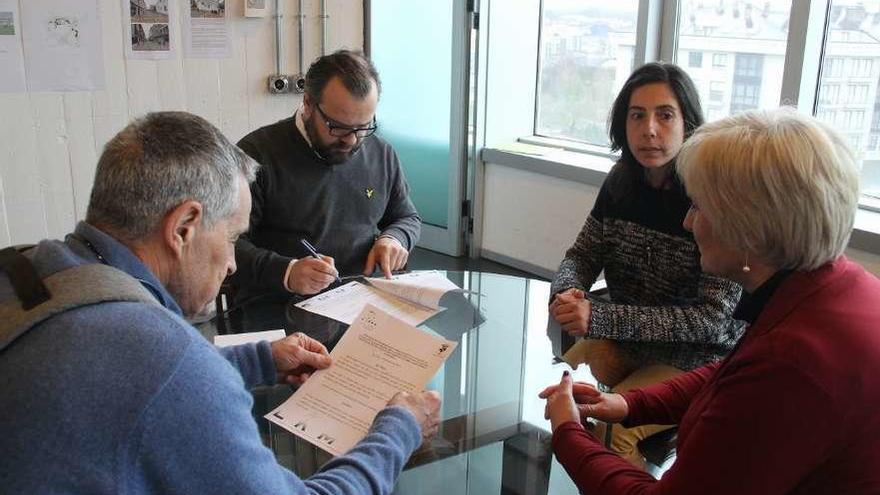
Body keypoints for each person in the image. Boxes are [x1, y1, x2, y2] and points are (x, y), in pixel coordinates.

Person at [0, 112, 441, 494]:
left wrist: (259, 360)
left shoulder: (30, 271)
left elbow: (117, 379)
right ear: (184, 226)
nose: (232, 263)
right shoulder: (163, 359)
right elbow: (159, 375)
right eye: (231, 238)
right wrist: (398, 428)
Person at [541, 108, 880, 493]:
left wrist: (568, 432)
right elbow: (730, 375)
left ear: (750, 228)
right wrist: (632, 405)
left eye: (700, 206)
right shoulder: (835, 286)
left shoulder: (794, 361)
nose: (688, 221)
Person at [548, 62, 743, 468]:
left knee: (610, 429)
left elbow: (711, 322)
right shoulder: (621, 182)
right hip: (626, 343)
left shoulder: (713, 195)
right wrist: (568, 291)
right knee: (549, 394)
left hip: (695, 360)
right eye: (637, 115)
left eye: (665, 115)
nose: (649, 129)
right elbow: (582, 255)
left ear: (689, 123)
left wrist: (600, 317)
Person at [235, 49, 420, 298]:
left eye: (364, 126)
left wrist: (394, 239)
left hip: (359, 300)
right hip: (277, 304)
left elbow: (406, 217)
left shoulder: (380, 153)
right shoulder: (256, 153)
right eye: (339, 127)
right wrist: (287, 272)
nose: (352, 140)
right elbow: (223, 243)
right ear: (308, 104)